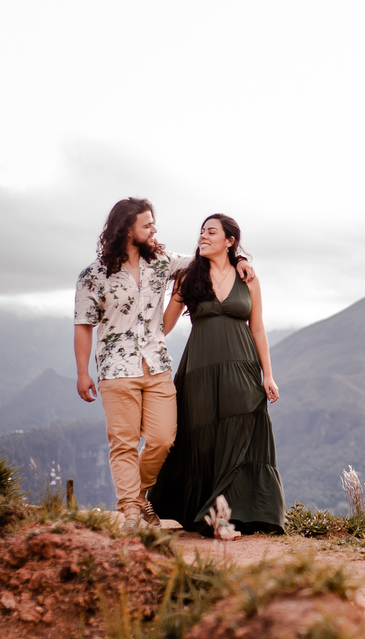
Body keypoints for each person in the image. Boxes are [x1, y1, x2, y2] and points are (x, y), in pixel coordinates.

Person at [74, 198, 253, 532]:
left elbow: (207, 258)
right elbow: (83, 326)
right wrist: (83, 372)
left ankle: (138, 496)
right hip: (116, 370)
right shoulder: (92, 276)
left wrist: (239, 259)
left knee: (162, 440)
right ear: (126, 229)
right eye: (147, 225)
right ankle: (130, 512)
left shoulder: (161, 263)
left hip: (157, 367)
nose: (154, 230)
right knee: (124, 443)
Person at [147, 213, 286, 535]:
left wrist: (268, 375)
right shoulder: (189, 277)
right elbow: (164, 327)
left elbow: (258, 328)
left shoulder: (248, 277)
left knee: (240, 439)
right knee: (204, 440)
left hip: (242, 367)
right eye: (201, 232)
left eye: (212, 232)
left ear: (230, 240)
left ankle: (236, 515)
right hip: (200, 370)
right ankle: (208, 515)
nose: (203, 236)